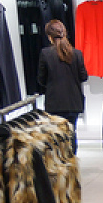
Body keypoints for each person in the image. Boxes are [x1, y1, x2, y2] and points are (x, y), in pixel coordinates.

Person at [36, 20, 88, 149]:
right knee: (71, 133)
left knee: (56, 137)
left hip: (54, 102)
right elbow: (84, 77)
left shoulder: (45, 53)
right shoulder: (77, 53)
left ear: (49, 36)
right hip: (74, 102)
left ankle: (59, 165)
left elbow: (41, 79)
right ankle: (72, 164)